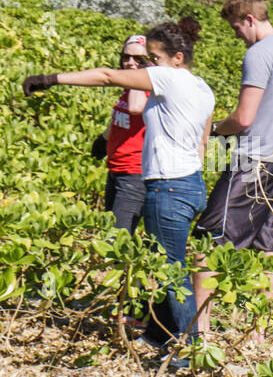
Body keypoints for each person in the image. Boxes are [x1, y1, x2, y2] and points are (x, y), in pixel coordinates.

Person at [23, 18, 215, 353]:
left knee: (171, 273)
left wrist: (51, 79)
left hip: (168, 187)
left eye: (153, 58)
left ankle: (188, 350)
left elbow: (108, 75)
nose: (148, 66)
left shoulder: (167, 77)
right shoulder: (203, 88)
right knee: (173, 266)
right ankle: (161, 334)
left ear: (177, 58)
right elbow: (203, 143)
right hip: (191, 184)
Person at [193, 0, 273, 332]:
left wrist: (210, 131)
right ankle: (258, 333)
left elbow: (243, 118)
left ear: (250, 20)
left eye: (236, 28)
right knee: (267, 245)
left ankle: (201, 332)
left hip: (253, 158)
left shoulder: (258, 54)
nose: (237, 36)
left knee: (207, 238)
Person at [92, 34, 150, 232]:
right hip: (116, 168)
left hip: (135, 173)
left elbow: (135, 108)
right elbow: (121, 119)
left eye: (138, 59)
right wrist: (103, 139)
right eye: (126, 57)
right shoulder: (129, 88)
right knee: (110, 232)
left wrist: (139, 75)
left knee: (118, 238)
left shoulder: (146, 88)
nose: (130, 63)